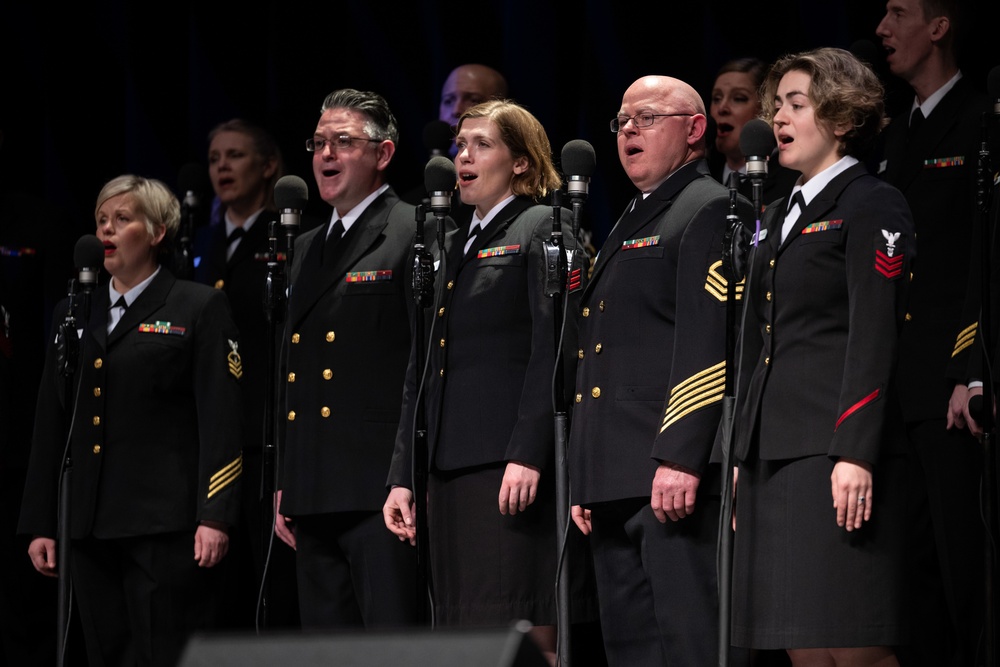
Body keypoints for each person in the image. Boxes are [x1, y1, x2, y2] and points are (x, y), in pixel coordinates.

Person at [383, 99, 592, 661]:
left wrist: (529, 453)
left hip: (506, 468)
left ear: (521, 162)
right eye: (460, 145)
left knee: (519, 619)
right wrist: (404, 472)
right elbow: (421, 367)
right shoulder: (447, 243)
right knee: (461, 630)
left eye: (482, 144)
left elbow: (556, 349)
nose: (463, 157)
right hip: (447, 470)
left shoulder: (543, 226)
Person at [731, 48, 913, 665]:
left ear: (840, 118)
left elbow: (874, 333)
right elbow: (759, 342)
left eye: (796, 105)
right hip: (771, 454)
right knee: (800, 643)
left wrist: (855, 450)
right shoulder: (777, 213)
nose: (777, 117)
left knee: (855, 642)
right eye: (776, 104)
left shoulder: (871, 202)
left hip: (830, 450)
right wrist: (738, 453)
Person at [18, 174, 244, 667]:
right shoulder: (75, 312)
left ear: (158, 231)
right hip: (90, 525)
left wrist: (215, 514)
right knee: (106, 653)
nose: (107, 231)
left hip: (164, 523)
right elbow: (51, 423)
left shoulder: (197, 305)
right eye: (101, 220)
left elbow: (222, 418)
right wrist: (42, 521)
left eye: (123, 220)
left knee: (161, 652)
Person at [567, 75, 752, 666]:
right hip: (615, 475)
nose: (628, 133)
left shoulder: (710, 207)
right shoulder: (634, 214)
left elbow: (708, 343)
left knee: (688, 642)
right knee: (632, 649)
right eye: (621, 122)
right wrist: (586, 471)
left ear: (694, 130)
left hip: (668, 475)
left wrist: (680, 455)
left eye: (645, 119)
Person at [274, 88, 420, 630]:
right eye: (318, 144)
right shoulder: (307, 245)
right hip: (312, 487)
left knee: (390, 646)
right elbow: (293, 373)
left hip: (376, 488)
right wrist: (285, 480)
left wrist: (405, 473)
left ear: (382, 155)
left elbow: (420, 369)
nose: (326, 155)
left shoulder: (415, 230)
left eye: (342, 142)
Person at [875, 1, 988, 663]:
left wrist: (968, 366)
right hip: (894, 384)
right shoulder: (896, 136)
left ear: (940, 26)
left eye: (899, 13)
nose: (883, 29)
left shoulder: (979, 120)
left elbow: (982, 258)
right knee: (908, 575)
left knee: (961, 569)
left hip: (946, 389)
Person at [193, 118, 299, 629]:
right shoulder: (205, 241)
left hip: (265, 428)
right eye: (215, 158)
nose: (222, 168)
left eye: (235, 156)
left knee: (270, 584)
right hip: (214, 432)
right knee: (218, 591)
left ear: (269, 166)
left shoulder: (288, 235)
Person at [709, 57, 800, 206]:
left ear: (766, 110)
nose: (722, 108)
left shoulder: (792, 180)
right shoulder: (707, 179)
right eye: (716, 98)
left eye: (738, 98)